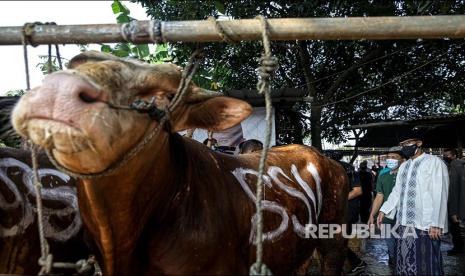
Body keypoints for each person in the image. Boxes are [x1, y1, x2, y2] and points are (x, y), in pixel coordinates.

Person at [378, 136, 449, 275]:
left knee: (428, 262)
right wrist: (384, 210)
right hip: (404, 222)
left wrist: (436, 223)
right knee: (406, 261)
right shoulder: (404, 165)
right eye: (402, 144)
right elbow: (397, 191)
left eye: (408, 143)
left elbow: (440, 193)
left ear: (419, 143)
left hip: (426, 224)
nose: (405, 146)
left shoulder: (434, 162)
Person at [330, 153, 367, 275]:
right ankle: (354, 264)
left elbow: (358, 191)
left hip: (347, 212)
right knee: (335, 241)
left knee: (338, 242)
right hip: (337, 213)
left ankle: (357, 263)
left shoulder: (348, 169)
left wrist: (338, 199)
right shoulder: (330, 169)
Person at [367, 147, 404, 267]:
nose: (390, 160)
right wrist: (372, 215)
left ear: (402, 160)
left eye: (394, 157)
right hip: (386, 217)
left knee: (404, 245)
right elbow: (379, 196)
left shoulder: (406, 176)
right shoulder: (383, 176)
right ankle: (393, 264)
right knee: (391, 245)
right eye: (388, 157)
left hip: (403, 218)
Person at [443, 148, 465, 255]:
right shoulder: (455, 165)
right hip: (456, 204)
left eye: (447, 155)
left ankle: (458, 248)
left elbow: (454, 189)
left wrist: (454, 210)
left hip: (455, 205)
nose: (445, 157)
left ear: (454, 155)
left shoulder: (456, 165)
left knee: (456, 229)